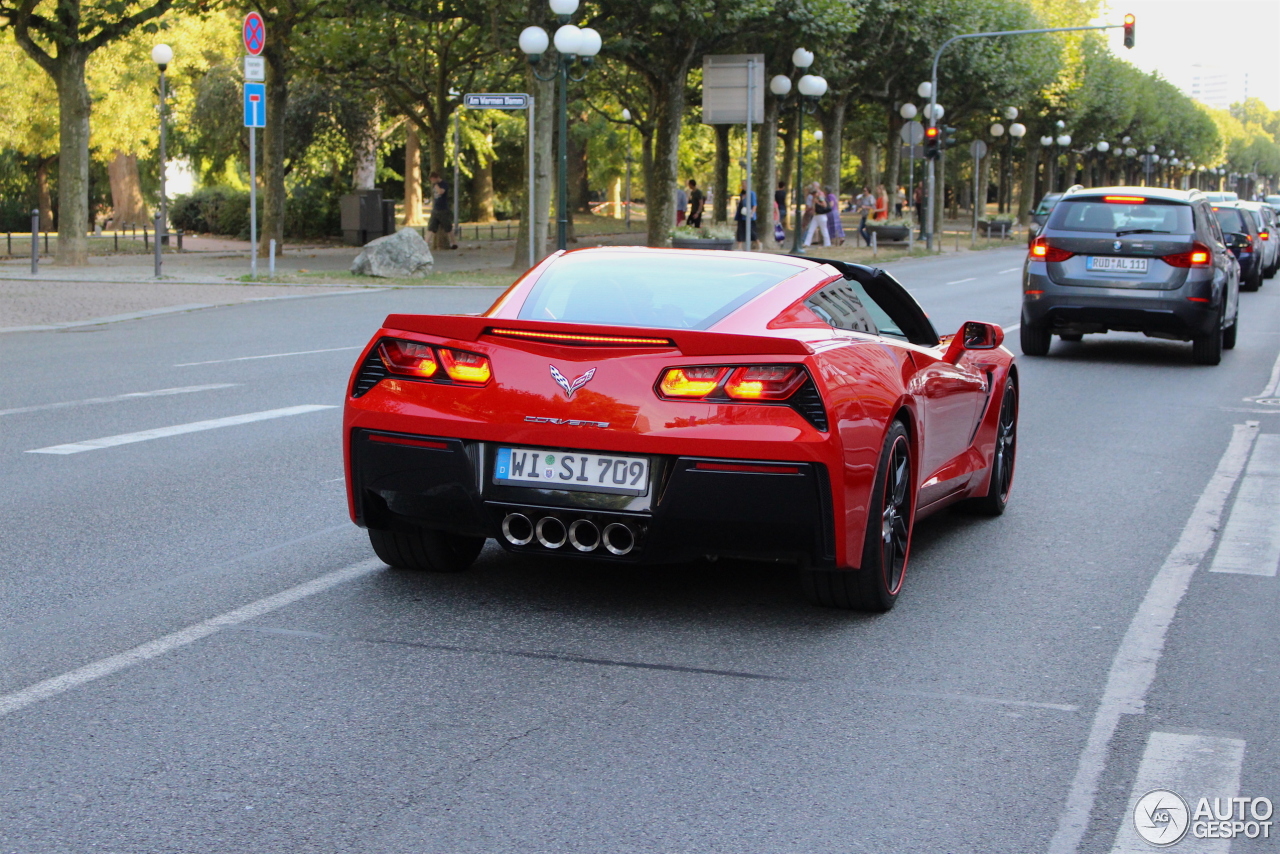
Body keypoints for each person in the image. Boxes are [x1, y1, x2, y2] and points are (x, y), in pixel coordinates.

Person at [427, 171, 456, 250]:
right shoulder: (434, 185)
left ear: (436, 178)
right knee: (431, 227)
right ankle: (425, 243)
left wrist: (436, 185)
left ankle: (454, 243)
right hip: (436, 209)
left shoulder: (444, 184)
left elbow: (441, 192)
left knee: (448, 227)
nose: (432, 182)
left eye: (432, 180)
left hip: (443, 209)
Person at [803, 182, 832, 248]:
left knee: (824, 229)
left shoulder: (820, 197)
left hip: (821, 215)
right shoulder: (814, 198)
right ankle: (806, 243)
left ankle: (827, 243)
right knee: (811, 229)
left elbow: (824, 205)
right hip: (816, 216)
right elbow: (813, 207)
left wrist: (818, 202)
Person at [734, 180, 757, 250]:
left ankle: (758, 242)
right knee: (740, 231)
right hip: (741, 215)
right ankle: (739, 247)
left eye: (744, 184)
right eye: (742, 184)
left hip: (749, 216)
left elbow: (754, 205)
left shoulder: (752, 194)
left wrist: (752, 213)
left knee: (751, 231)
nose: (743, 186)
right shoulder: (742, 194)